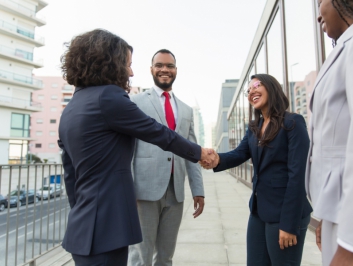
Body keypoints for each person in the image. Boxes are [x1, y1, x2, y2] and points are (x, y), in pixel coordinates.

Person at [57, 29, 213, 266]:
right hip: (107, 230)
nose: (130, 72)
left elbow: (70, 174)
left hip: (82, 228)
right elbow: (158, 133)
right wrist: (200, 152)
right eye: (127, 64)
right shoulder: (110, 97)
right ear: (110, 63)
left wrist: (84, 216)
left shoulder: (72, 106)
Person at [201, 74, 312, 266]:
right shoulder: (254, 127)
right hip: (259, 212)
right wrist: (216, 159)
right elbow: (239, 153)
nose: (251, 91)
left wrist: (289, 224)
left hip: (285, 214)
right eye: (248, 90)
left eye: (256, 86)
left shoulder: (293, 123)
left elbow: (298, 176)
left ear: (271, 87)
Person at [306, 1, 353, 265]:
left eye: (322, 2)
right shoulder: (351, 44)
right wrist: (326, 217)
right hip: (340, 216)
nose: (318, 15)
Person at [127, 49, 205, 266]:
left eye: (169, 66)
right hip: (144, 192)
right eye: (159, 65)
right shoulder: (135, 102)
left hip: (175, 192)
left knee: (165, 257)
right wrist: (129, 189)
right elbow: (128, 149)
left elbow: (191, 151)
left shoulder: (187, 110)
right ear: (151, 69)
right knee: (140, 257)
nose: (164, 70)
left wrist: (198, 190)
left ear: (176, 70)